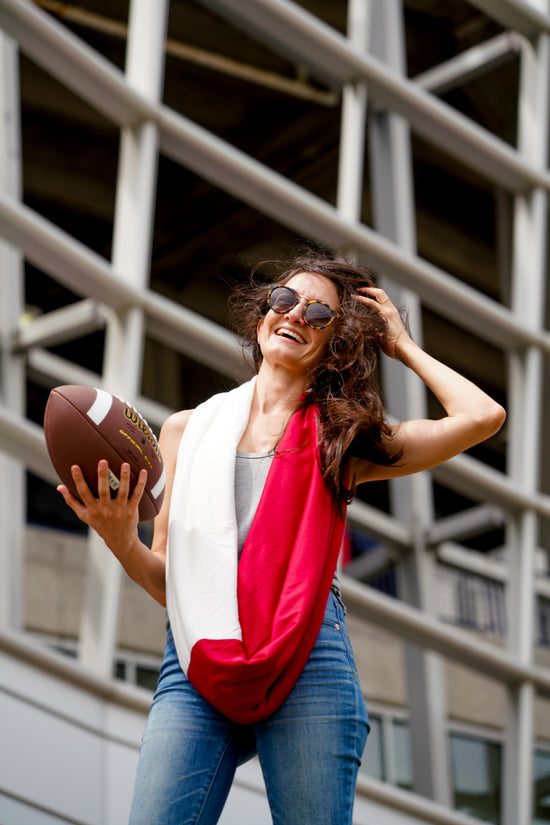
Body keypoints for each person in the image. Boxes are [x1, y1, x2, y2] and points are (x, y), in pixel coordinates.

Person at [57, 250, 505, 825]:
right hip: (196, 657)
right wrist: (121, 540)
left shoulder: (343, 438)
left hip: (308, 656)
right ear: (264, 313)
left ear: (335, 341)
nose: (296, 315)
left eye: (320, 314)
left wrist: (400, 344)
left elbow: (482, 416)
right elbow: (173, 584)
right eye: (285, 300)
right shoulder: (186, 430)